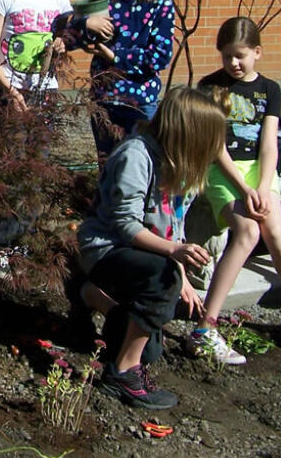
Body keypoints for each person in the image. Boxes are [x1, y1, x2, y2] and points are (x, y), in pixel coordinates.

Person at [76, 86, 223, 409]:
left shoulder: (176, 164)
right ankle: (122, 374)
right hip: (104, 248)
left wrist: (182, 274)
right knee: (163, 280)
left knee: (153, 347)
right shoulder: (136, 156)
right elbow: (126, 226)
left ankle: (88, 294)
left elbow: (174, 227)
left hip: (144, 254)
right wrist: (173, 258)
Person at [189, 17, 281, 364]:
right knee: (246, 230)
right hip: (222, 170)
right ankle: (205, 328)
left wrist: (260, 186)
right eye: (227, 56)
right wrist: (244, 189)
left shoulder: (270, 90)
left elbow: (269, 145)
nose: (234, 64)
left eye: (241, 56)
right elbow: (215, 146)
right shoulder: (209, 87)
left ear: (257, 52)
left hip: (260, 172)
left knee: (274, 229)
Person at [63, 0, 175, 170]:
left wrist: (116, 57)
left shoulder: (160, 2)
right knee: (108, 166)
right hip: (104, 98)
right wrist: (85, 24)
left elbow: (161, 56)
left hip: (140, 100)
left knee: (140, 167)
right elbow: (71, 37)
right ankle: (106, 208)